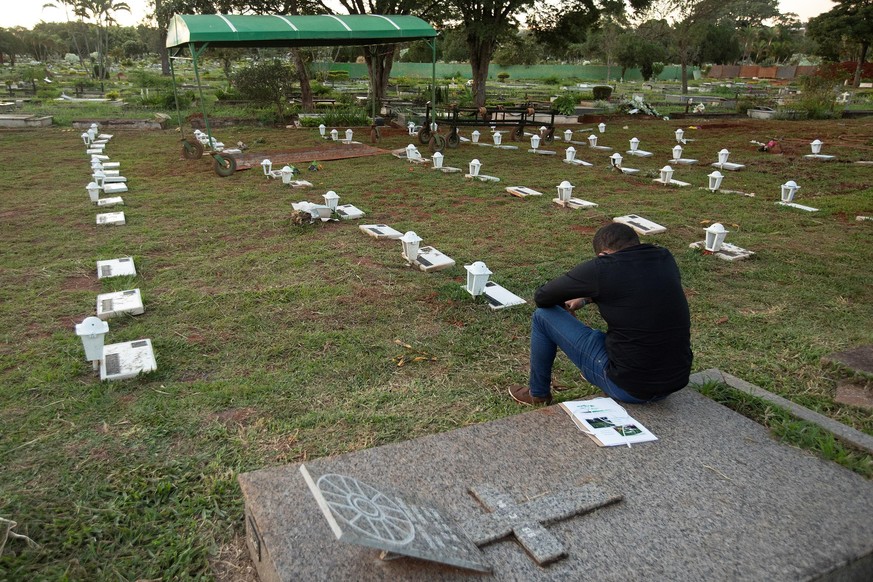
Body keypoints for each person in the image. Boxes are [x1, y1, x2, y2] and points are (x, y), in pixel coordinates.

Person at [509, 223, 692, 406]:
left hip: (629, 388)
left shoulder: (602, 268)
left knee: (543, 316)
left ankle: (537, 394)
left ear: (603, 255)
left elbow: (542, 297)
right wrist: (586, 298)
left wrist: (565, 309)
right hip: (675, 380)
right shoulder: (664, 258)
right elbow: (638, 288)